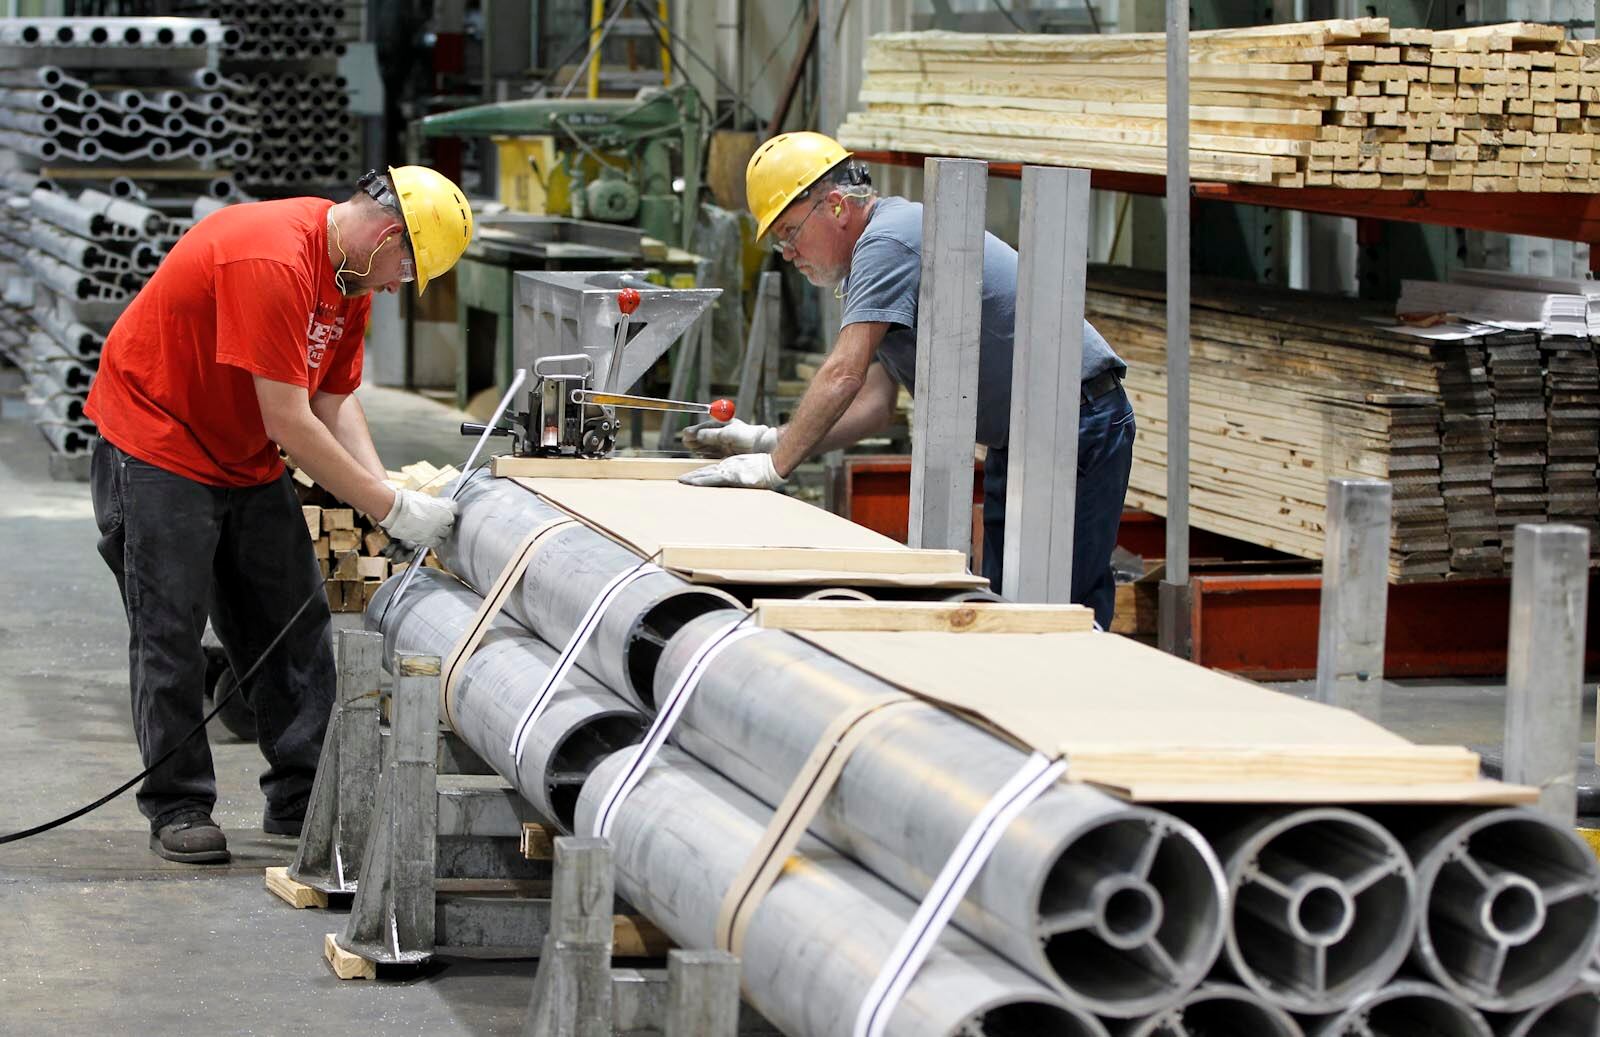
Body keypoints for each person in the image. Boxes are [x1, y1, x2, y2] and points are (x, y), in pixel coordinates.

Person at [83, 166, 472, 864]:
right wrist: (388, 507)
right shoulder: (272, 256)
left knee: (291, 619)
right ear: (388, 235)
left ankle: (300, 798)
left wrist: (385, 491)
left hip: (242, 452)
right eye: (403, 274)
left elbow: (334, 399)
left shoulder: (350, 277)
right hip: (159, 442)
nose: (395, 289)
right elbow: (291, 421)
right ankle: (177, 802)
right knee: (169, 628)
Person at [679, 132, 1134, 627]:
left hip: (1077, 421)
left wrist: (773, 466)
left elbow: (843, 375)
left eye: (789, 232)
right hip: (1024, 434)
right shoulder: (867, 262)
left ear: (834, 207)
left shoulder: (886, 242)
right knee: (1013, 607)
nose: (787, 253)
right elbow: (873, 403)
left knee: (1060, 612)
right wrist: (772, 439)